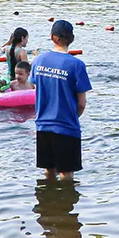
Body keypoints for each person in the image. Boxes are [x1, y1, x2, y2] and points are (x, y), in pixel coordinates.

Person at [30, 20, 92, 181]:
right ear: (71, 39)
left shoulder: (38, 61)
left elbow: (36, 87)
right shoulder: (77, 65)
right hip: (66, 126)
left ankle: (48, 201)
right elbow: (81, 103)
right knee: (67, 174)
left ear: (52, 37)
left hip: (43, 125)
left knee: (48, 171)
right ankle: (64, 201)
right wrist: (72, 117)